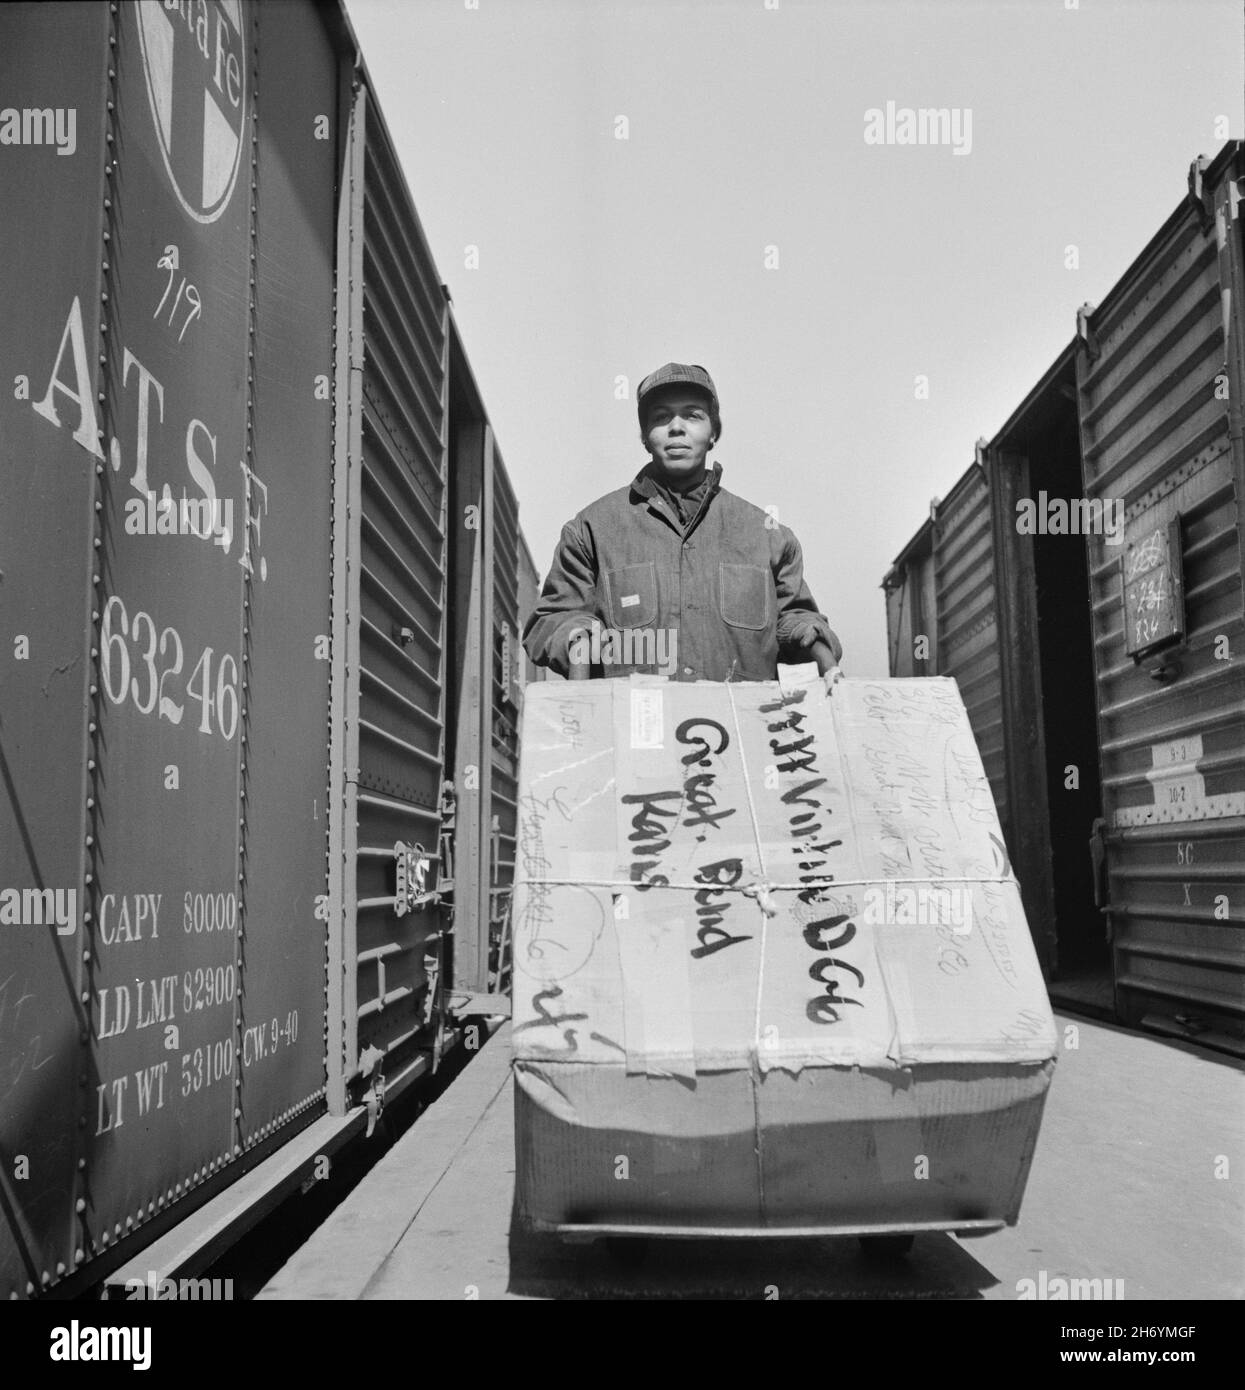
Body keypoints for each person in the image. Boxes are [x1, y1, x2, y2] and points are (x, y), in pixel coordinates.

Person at [522, 362, 842, 685]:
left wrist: (809, 636)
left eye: (692, 415)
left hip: (743, 730)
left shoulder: (769, 538)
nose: (676, 427)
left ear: (714, 432)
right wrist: (577, 636)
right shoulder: (591, 530)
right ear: (645, 437)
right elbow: (550, 620)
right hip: (631, 729)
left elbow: (795, 619)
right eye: (661, 417)